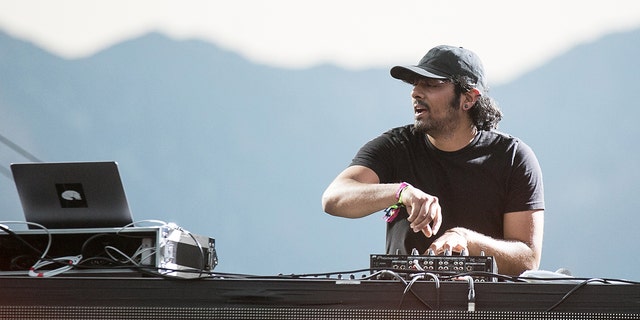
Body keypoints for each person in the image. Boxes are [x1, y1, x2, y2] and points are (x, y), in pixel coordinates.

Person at [321, 45, 544, 276]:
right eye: (415, 84)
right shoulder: (395, 146)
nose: (415, 93)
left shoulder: (513, 157)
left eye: (430, 84)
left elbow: (527, 260)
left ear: (468, 98)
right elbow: (333, 198)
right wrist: (401, 192)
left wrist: (466, 239)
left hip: (482, 310)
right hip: (401, 309)